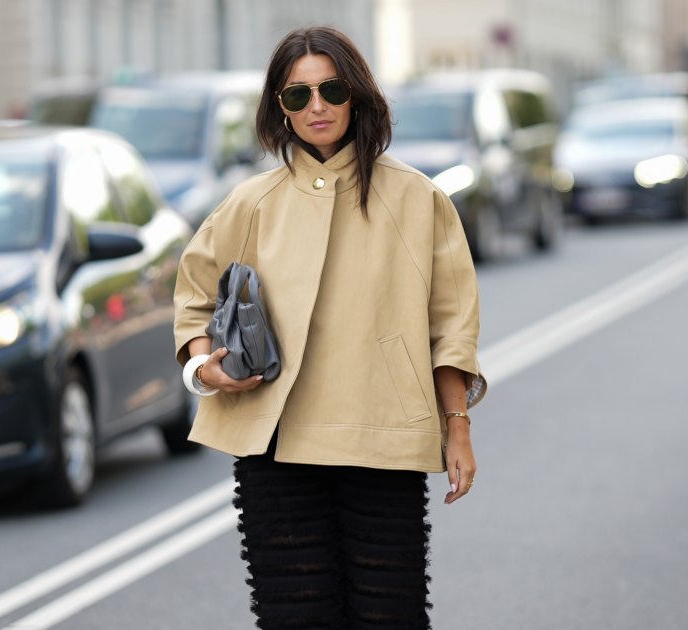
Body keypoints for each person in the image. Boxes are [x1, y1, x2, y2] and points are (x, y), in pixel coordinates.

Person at [173, 26, 487, 629]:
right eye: (298, 95)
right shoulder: (249, 203)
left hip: (384, 437)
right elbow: (194, 296)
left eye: (331, 90)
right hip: (275, 442)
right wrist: (203, 368)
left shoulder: (418, 199)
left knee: (388, 616)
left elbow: (451, 327)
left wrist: (457, 427)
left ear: (357, 95)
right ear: (280, 109)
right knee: (296, 618)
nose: (316, 106)